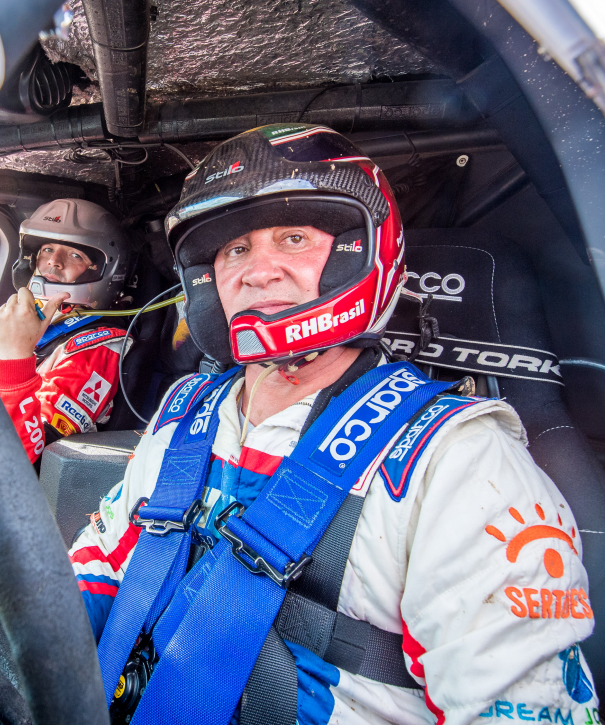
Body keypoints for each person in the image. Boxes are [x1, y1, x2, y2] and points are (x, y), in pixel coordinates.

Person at [69, 125, 598, 725]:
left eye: (292, 238)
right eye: (234, 250)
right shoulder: (186, 408)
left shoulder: (457, 458)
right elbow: (109, 559)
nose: (256, 272)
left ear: (358, 251)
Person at [0, 198, 133, 463]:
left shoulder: (99, 346)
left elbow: (26, 456)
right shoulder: (31, 319)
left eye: (75, 255)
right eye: (47, 249)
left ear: (104, 269)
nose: (54, 262)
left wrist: (15, 357)